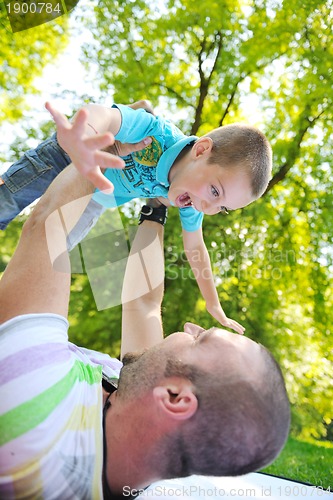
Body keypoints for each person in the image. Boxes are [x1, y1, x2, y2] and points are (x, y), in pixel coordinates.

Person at [0, 147, 290, 498]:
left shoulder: (37, 405)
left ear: (175, 397)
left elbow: (51, 226)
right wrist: (157, 207)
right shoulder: (135, 449)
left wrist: (104, 147)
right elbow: (144, 305)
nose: (189, 328)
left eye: (201, 340)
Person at [0, 99, 273, 335]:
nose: (206, 207)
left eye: (221, 208)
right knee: (8, 200)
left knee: (49, 252)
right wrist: (86, 133)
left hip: (95, 197)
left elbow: (195, 247)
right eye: (215, 191)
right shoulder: (156, 134)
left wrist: (213, 304)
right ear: (201, 151)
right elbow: (105, 115)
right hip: (71, 155)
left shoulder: (191, 199)